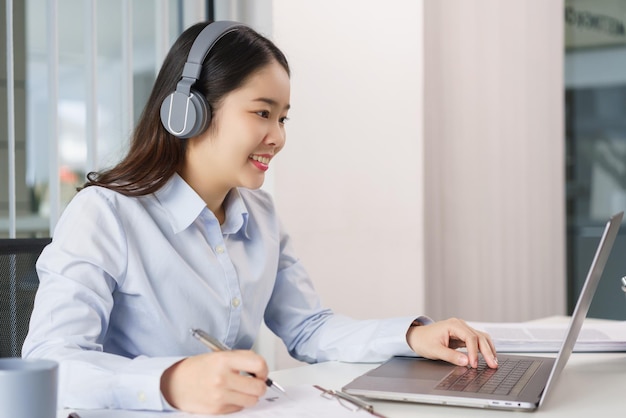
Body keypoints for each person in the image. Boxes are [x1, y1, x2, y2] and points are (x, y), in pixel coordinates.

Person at [22, 20, 497, 415]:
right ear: (189, 112)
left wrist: (411, 335)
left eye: (283, 118)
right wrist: (169, 382)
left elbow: (309, 328)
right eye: (262, 113)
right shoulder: (104, 214)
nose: (278, 137)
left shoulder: (260, 215)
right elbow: (50, 362)